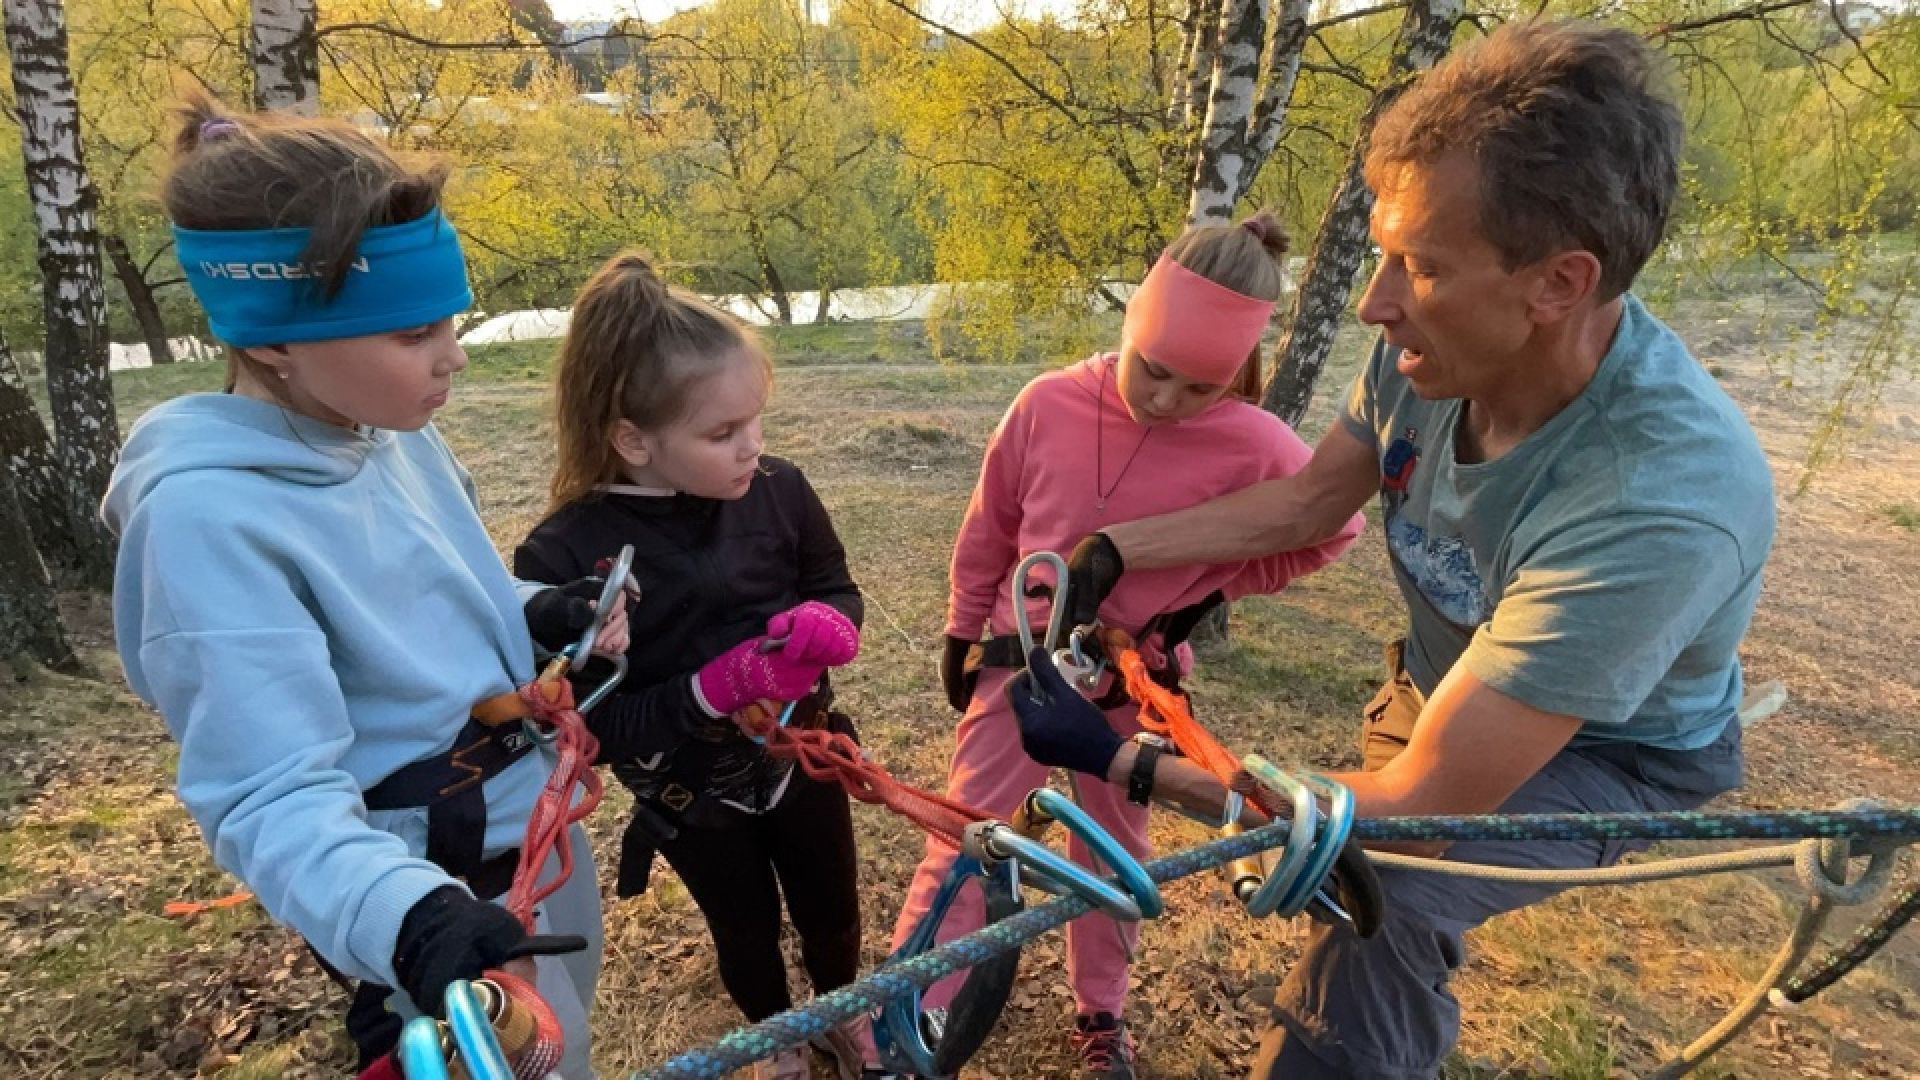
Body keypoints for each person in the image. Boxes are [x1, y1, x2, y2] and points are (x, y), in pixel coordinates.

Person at [1030, 19, 1775, 1079]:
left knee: (1387, 890)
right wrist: (1112, 549)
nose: (1374, 303)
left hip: (1614, 753)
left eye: (1419, 265)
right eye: (1384, 253)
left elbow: (1426, 804)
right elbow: (1306, 504)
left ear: (1558, 283)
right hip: (1450, 683)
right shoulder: (1429, 350)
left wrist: (1123, 762)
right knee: (1342, 865)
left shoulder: (1657, 498)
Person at [103, 94, 628, 1077]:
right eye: (414, 332)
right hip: (429, 886)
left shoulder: (388, 435)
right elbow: (266, 794)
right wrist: (412, 921)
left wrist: (539, 616)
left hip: (532, 828)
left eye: (451, 322)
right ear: (274, 342)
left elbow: (443, 599)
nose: (454, 355)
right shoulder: (207, 521)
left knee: (572, 1042)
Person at [894, 211, 1363, 1080]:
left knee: (1113, 853)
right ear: (1135, 320)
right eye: (1153, 369)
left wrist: (1209, 587)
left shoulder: (1254, 442)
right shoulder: (1047, 403)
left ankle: (1101, 1012)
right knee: (968, 836)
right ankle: (901, 1020)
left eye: (1200, 387)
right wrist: (963, 629)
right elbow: (991, 525)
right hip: (1025, 668)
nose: (1166, 401)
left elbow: (1331, 529)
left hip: (1131, 684)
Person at [513, 252, 878, 1080]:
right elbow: (596, 729)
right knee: (743, 930)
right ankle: (776, 1034)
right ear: (632, 439)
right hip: (691, 797)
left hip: (805, 760)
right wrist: (714, 690)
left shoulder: (780, 490)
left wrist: (832, 628)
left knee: (832, 911)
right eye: (722, 434)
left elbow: (834, 587)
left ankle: (840, 1012)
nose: (754, 447)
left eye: (756, 421)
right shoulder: (563, 558)